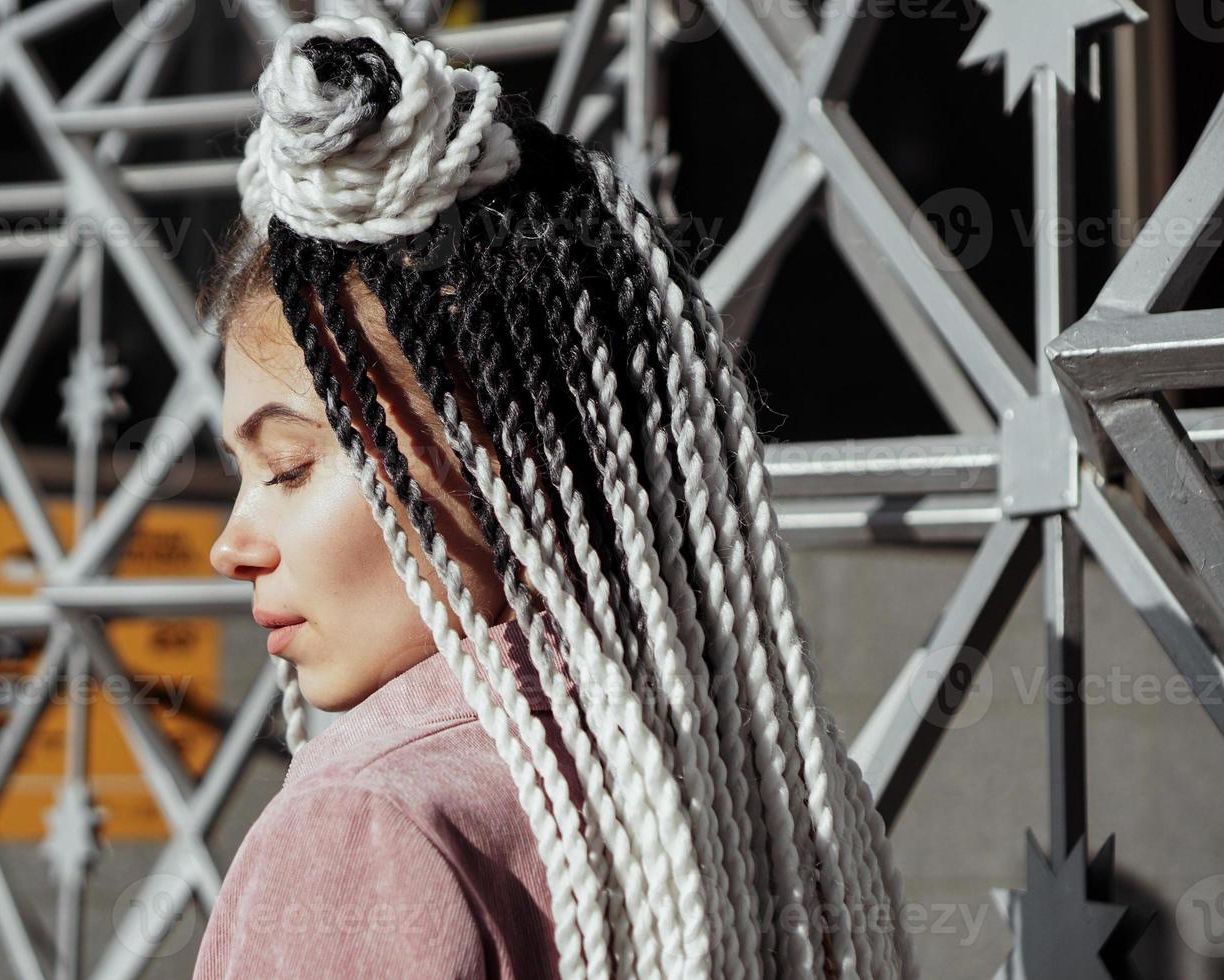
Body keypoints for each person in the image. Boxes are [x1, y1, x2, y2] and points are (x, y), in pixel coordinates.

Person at [195, 13, 916, 979]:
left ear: (493, 448)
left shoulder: (372, 819)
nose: (230, 546)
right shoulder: (769, 795)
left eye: (286, 468)